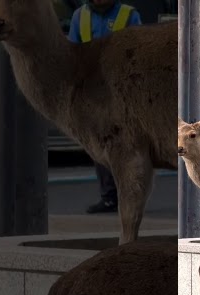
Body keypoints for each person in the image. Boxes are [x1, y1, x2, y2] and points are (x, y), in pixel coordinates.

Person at [68, 0, 142, 214]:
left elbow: (138, 52)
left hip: (121, 92)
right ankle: (109, 196)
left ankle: (127, 194)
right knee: (100, 146)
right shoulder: (79, 16)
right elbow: (72, 54)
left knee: (124, 146)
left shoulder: (128, 15)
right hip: (93, 94)